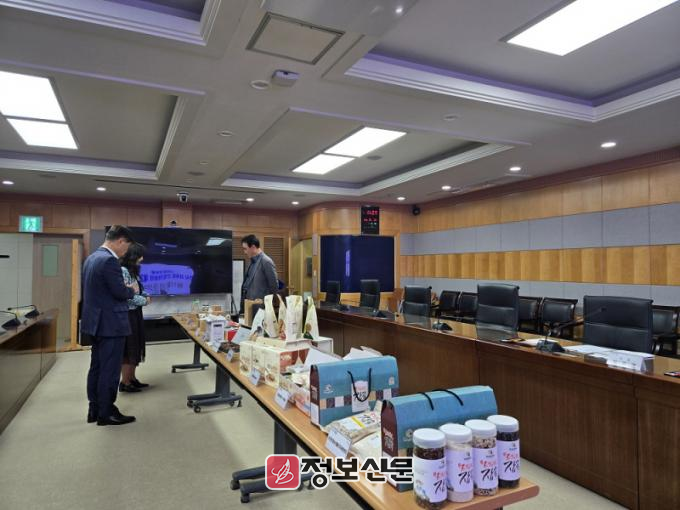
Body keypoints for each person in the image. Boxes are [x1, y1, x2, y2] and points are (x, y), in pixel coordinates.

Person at [82, 225, 137, 426]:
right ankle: (106, 412)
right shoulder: (109, 261)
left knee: (96, 366)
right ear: (121, 241)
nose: (126, 252)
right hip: (111, 324)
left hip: (95, 322)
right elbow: (119, 292)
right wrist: (131, 290)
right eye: (127, 246)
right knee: (110, 369)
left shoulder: (92, 258)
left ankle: (94, 408)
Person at [119, 243, 151, 393]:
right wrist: (144, 301)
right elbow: (126, 296)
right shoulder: (123, 271)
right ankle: (125, 382)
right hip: (128, 315)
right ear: (132, 256)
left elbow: (140, 289)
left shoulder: (133, 272)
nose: (142, 258)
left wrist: (146, 296)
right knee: (129, 349)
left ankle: (132, 378)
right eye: (139, 255)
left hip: (136, 313)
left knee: (136, 347)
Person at [240, 234, 278, 309]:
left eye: (245, 249)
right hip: (249, 306)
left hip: (260, 308)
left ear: (253, 247)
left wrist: (266, 305)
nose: (245, 252)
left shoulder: (266, 261)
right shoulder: (251, 261)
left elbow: (274, 287)